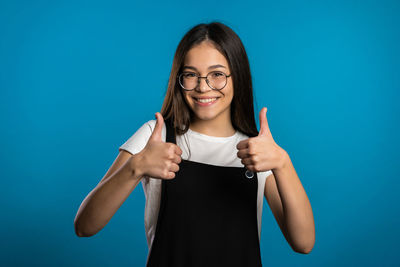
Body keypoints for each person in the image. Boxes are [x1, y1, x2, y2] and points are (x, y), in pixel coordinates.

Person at [74, 21, 315, 266]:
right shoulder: (154, 137)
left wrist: (283, 163)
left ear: (238, 77)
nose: (202, 86)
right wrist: (135, 167)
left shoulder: (257, 151)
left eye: (217, 74)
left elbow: (303, 243)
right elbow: (85, 226)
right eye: (190, 75)